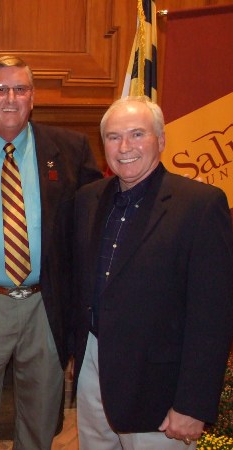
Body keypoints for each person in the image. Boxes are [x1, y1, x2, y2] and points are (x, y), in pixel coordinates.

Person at [0, 55, 103, 450]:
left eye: (20, 89)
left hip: (44, 304)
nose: (10, 97)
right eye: (0, 89)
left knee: (42, 413)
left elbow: (99, 209)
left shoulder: (70, 148)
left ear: (32, 97)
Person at [72, 96, 233, 450]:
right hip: (93, 373)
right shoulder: (87, 199)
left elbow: (213, 315)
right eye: (114, 137)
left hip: (158, 389)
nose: (125, 147)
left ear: (161, 141)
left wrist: (193, 403)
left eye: (137, 134)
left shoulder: (201, 206)